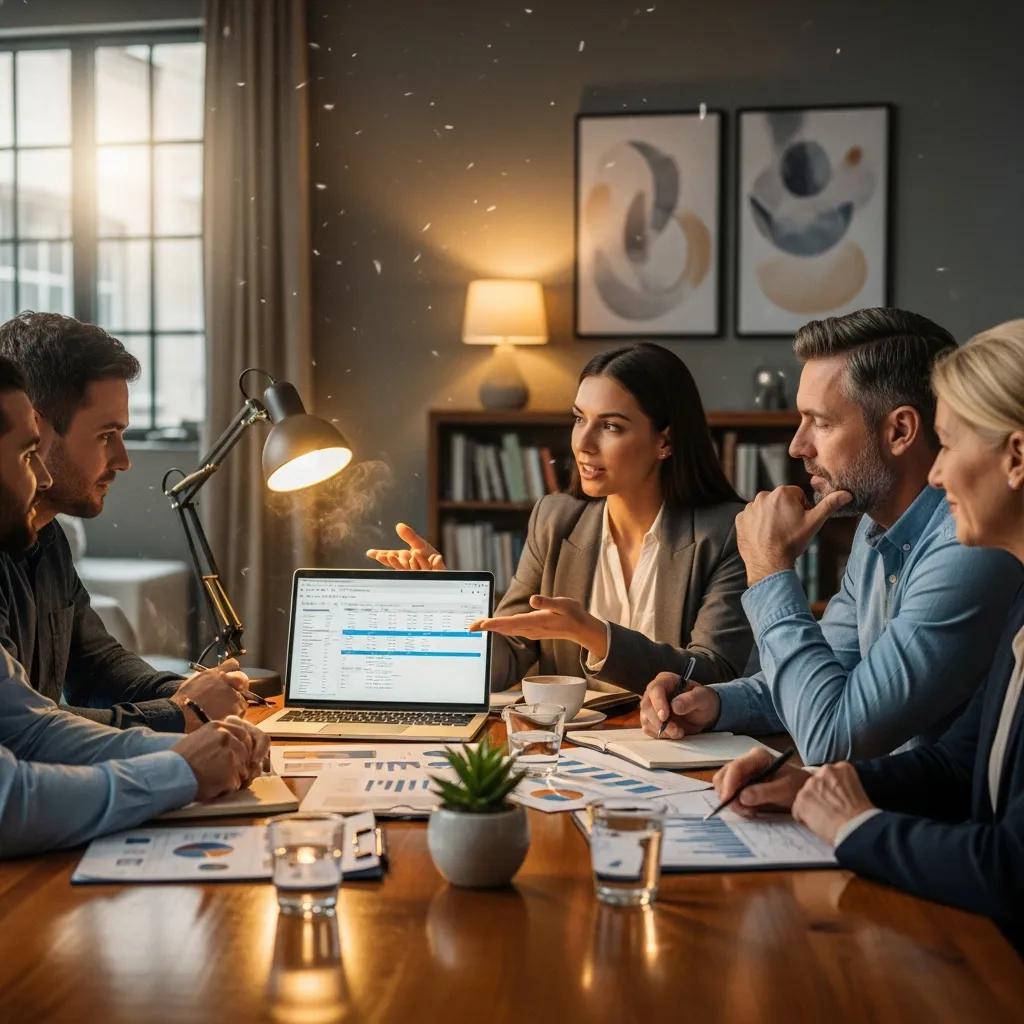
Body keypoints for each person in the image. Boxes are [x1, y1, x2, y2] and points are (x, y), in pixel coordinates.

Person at [711, 319, 1024, 951]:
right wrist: (807, 782)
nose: (938, 476)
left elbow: (832, 734)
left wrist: (770, 571)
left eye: (951, 443)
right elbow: (957, 762)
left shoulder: (976, 555)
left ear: (1015, 458)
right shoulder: (1003, 592)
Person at [641, 308, 1023, 762]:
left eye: (820, 422)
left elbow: (832, 735)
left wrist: (769, 568)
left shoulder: (968, 547)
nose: (797, 446)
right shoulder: (874, 529)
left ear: (899, 430)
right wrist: (717, 702)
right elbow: (826, 679)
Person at [0, 354, 269, 857]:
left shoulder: (47, 540)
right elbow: (11, 791)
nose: (123, 460)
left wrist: (197, 720)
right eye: (26, 451)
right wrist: (180, 741)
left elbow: (38, 722)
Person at [368, 343, 753, 693]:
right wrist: (444, 603)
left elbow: (714, 674)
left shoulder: (726, 533)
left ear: (665, 442)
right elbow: (508, 659)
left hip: (677, 747)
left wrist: (594, 634)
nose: (583, 444)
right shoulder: (555, 519)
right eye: (579, 419)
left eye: (611, 426)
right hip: (574, 746)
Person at [0, 311, 249, 732]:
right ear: (36, 427)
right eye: (105, 435)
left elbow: (97, 669)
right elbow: (26, 728)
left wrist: (195, 689)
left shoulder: (49, 539)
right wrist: (182, 713)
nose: (123, 460)